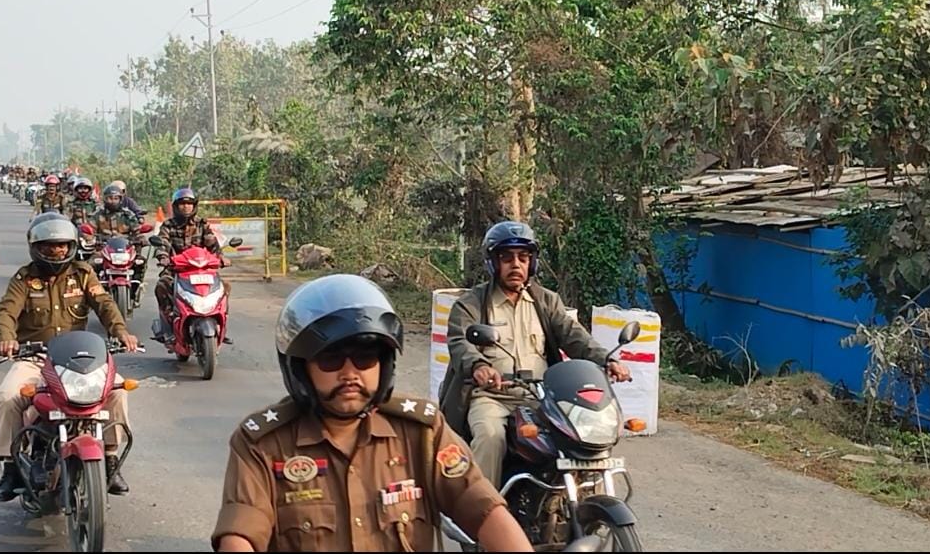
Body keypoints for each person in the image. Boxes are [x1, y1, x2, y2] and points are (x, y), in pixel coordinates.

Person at [210, 274, 533, 552]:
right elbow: (242, 534)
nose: (350, 373)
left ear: (384, 365)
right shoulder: (262, 444)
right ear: (300, 368)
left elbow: (481, 508)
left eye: (365, 358)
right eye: (331, 360)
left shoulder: (422, 431)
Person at [439, 221, 632, 489]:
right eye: (506, 258)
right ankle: (483, 516)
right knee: (491, 437)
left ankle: (586, 505)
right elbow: (460, 342)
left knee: (579, 437)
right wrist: (479, 366)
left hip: (539, 397)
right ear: (493, 263)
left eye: (523, 257)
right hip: (491, 397)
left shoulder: (546, 301)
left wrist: (605, 360)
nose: (515, 265)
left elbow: (574, 336)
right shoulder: (471, 304)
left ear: (533, 263)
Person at [0, 214, 140, 502]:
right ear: (36, 247)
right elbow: (6, 311)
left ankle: (110, 459)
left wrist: (121, 331)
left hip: (78, 359)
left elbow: (105, 304)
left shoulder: (83, 274)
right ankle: (9, 466)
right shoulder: (25, 278)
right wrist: (7, 338)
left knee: (118, 391)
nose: (56, 252)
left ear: (71, 246)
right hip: (37, 358)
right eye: (49, 246)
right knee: (9, 397)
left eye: (61, 246)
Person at [152, 187, 227, 344]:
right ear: (176, 206)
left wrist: (221, 257)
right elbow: (162, 243)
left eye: (189, 203)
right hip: (176, 270)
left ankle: (220, 323)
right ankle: (168, 325)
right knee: (162, 286)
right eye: (182, 204)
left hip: (201, 270)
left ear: (194, 206)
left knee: (224, 288)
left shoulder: (202, 224)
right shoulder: (168, 225)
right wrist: (163, 257)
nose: (186, 207)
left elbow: (212, 243)